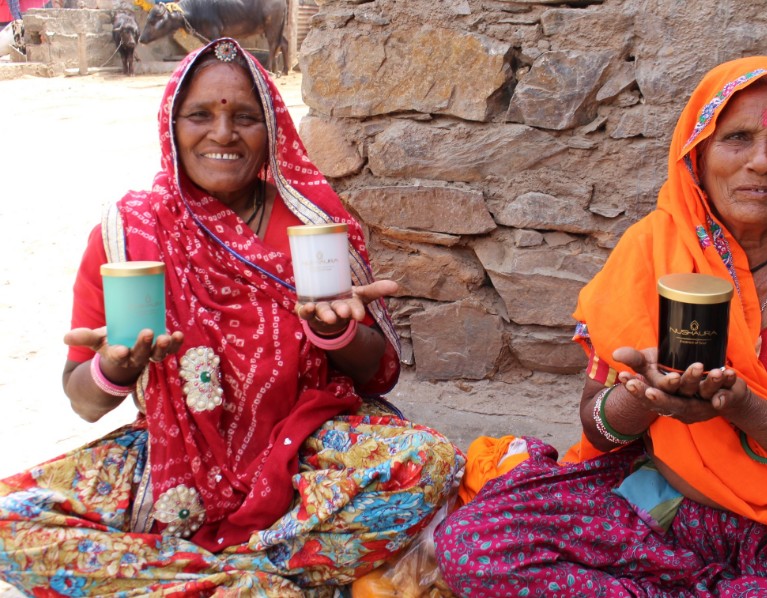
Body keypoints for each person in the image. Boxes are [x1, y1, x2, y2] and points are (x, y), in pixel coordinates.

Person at [434, 56, 767, 595]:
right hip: (665, 502)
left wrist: (753, 413)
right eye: (735, 138)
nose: (761, 162)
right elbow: (599, 428)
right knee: (477, 545)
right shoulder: (653, 248)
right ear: (699, 153)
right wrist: (642, 395)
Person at [0, 37, 463, 596]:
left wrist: (336, 331)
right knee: (11, 521)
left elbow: (379, 373)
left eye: (244, 117)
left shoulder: (311, 223)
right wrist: (114, 368)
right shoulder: (128, 233)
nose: (222, 134)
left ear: (272, 130)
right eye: (200, 115)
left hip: (309, 442)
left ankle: (219, 576)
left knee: (429, 462)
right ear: (172, 126)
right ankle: (258, 581)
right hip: (172, 456)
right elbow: (83, 401)